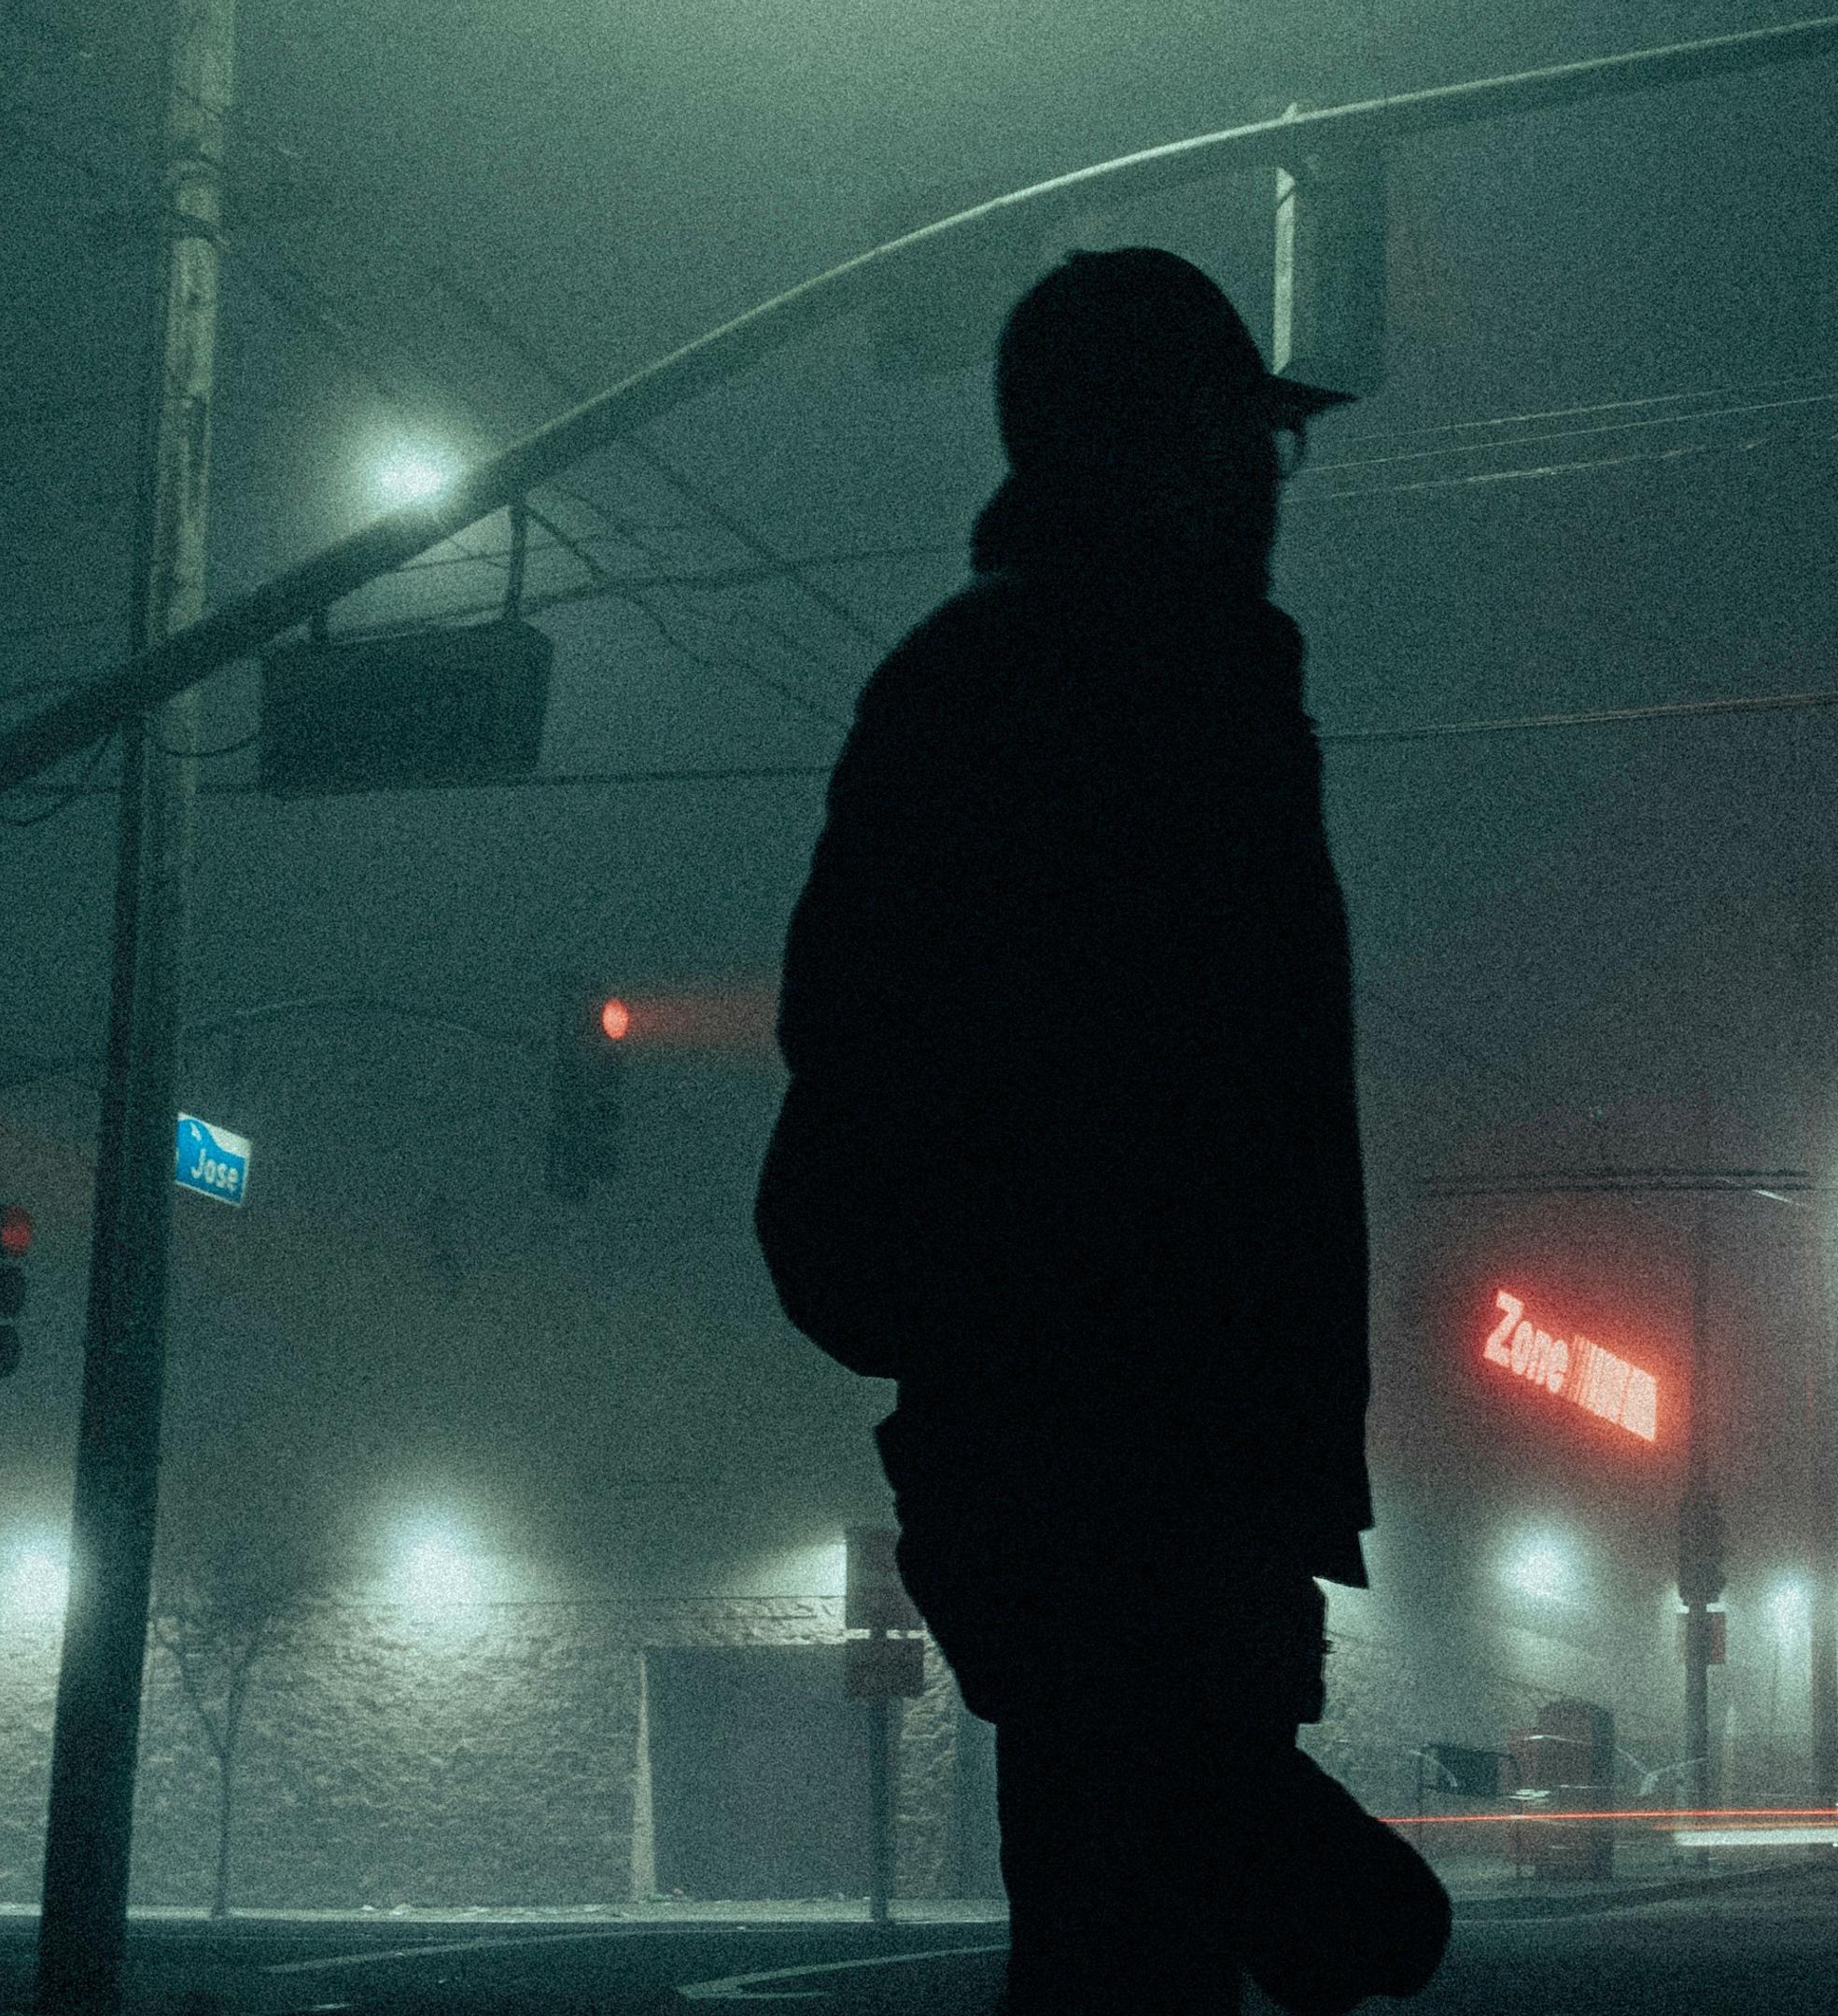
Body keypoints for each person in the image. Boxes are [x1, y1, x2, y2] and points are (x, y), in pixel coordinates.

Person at [757, 247, 1448, 2014]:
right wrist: (1121, 1376)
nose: (1264, 483)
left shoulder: (1082, 677)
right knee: (1152, 1942)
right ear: (1155, 446)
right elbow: (1170, 1106)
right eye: (1243, 437)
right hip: (1128, 1460)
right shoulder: (1113, 684)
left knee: (1134, 1929)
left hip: (1128, 1459)